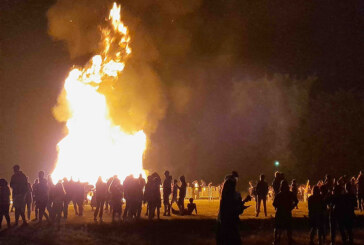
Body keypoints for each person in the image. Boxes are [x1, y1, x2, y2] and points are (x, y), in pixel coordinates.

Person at [216, 176, 251, 245]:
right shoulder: (235, 195)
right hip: (232, 224)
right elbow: (236, 210)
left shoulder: (223, 197)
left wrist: (243, 202)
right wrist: (243, 204)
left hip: (223, 224)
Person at [273, 180, 299, 245]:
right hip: (287, 212)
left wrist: (277, 207)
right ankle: (289, 239)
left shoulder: (279, 194)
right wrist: (292, 207)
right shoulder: (290, 194)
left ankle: (276, 239)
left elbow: (274, 204)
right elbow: (296, 201)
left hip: (280, 212)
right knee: (288, 227)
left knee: (277, 227)